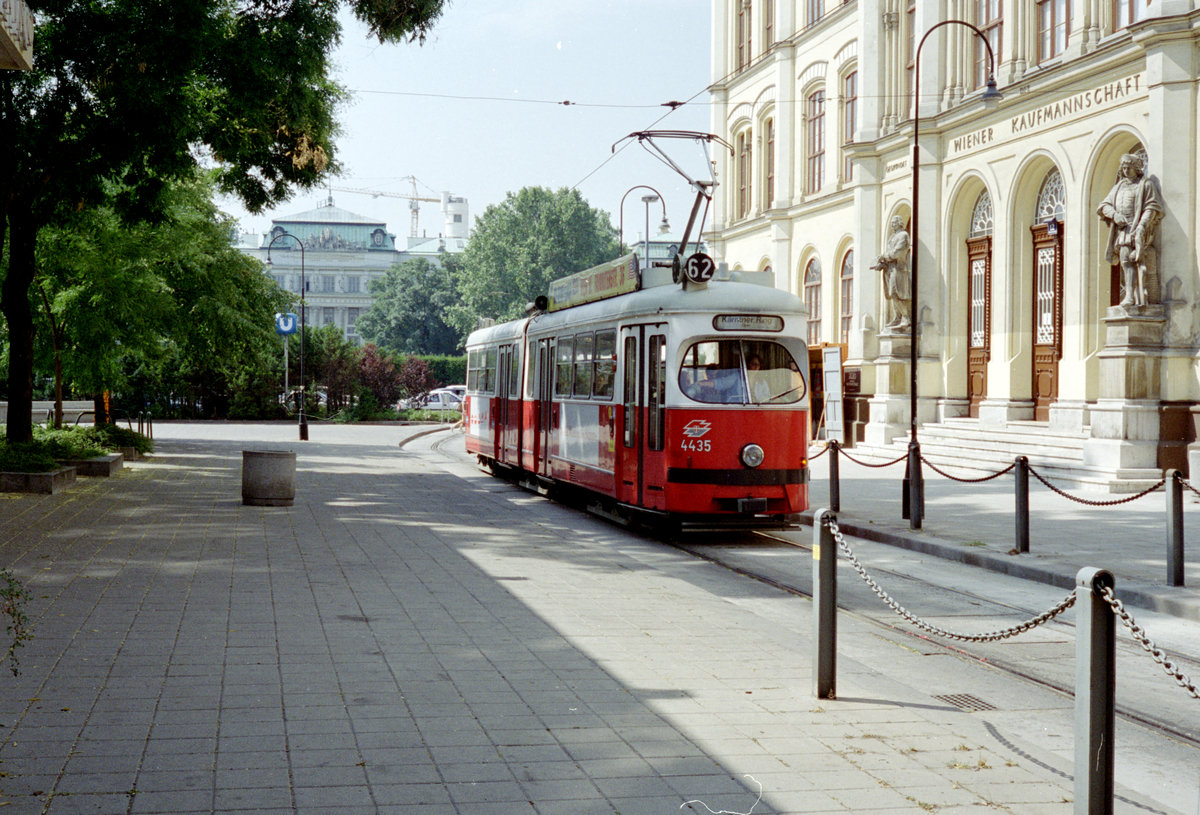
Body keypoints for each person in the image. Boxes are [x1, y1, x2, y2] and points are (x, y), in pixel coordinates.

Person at [1097, 152, 1164, 308]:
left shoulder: (1145, 184)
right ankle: (1129, 295)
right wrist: (1114, 215)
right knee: (1125, 261)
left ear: (1136, 168)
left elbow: (1152, 207)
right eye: (1124, 168)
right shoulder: (1119, 187)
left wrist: (1141, 225)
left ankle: (1135, 297)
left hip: (1140, 229)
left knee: (1133, 260)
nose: (1126, 171)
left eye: (1129, 167)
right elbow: (1103, 206)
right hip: (1123, 230)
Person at [870, 216, 911, 330]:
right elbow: (889, 252)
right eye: (892, 223)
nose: (892, 225)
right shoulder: (893, 236)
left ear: (900, 223)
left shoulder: (903, 235)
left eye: (894, 223)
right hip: (890, 268)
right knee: (891, 293)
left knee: (896, 293)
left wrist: (884, 256)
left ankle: (906, 317)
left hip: (899, 268)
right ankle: (898, 317)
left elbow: (897, 252)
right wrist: (882, 262)